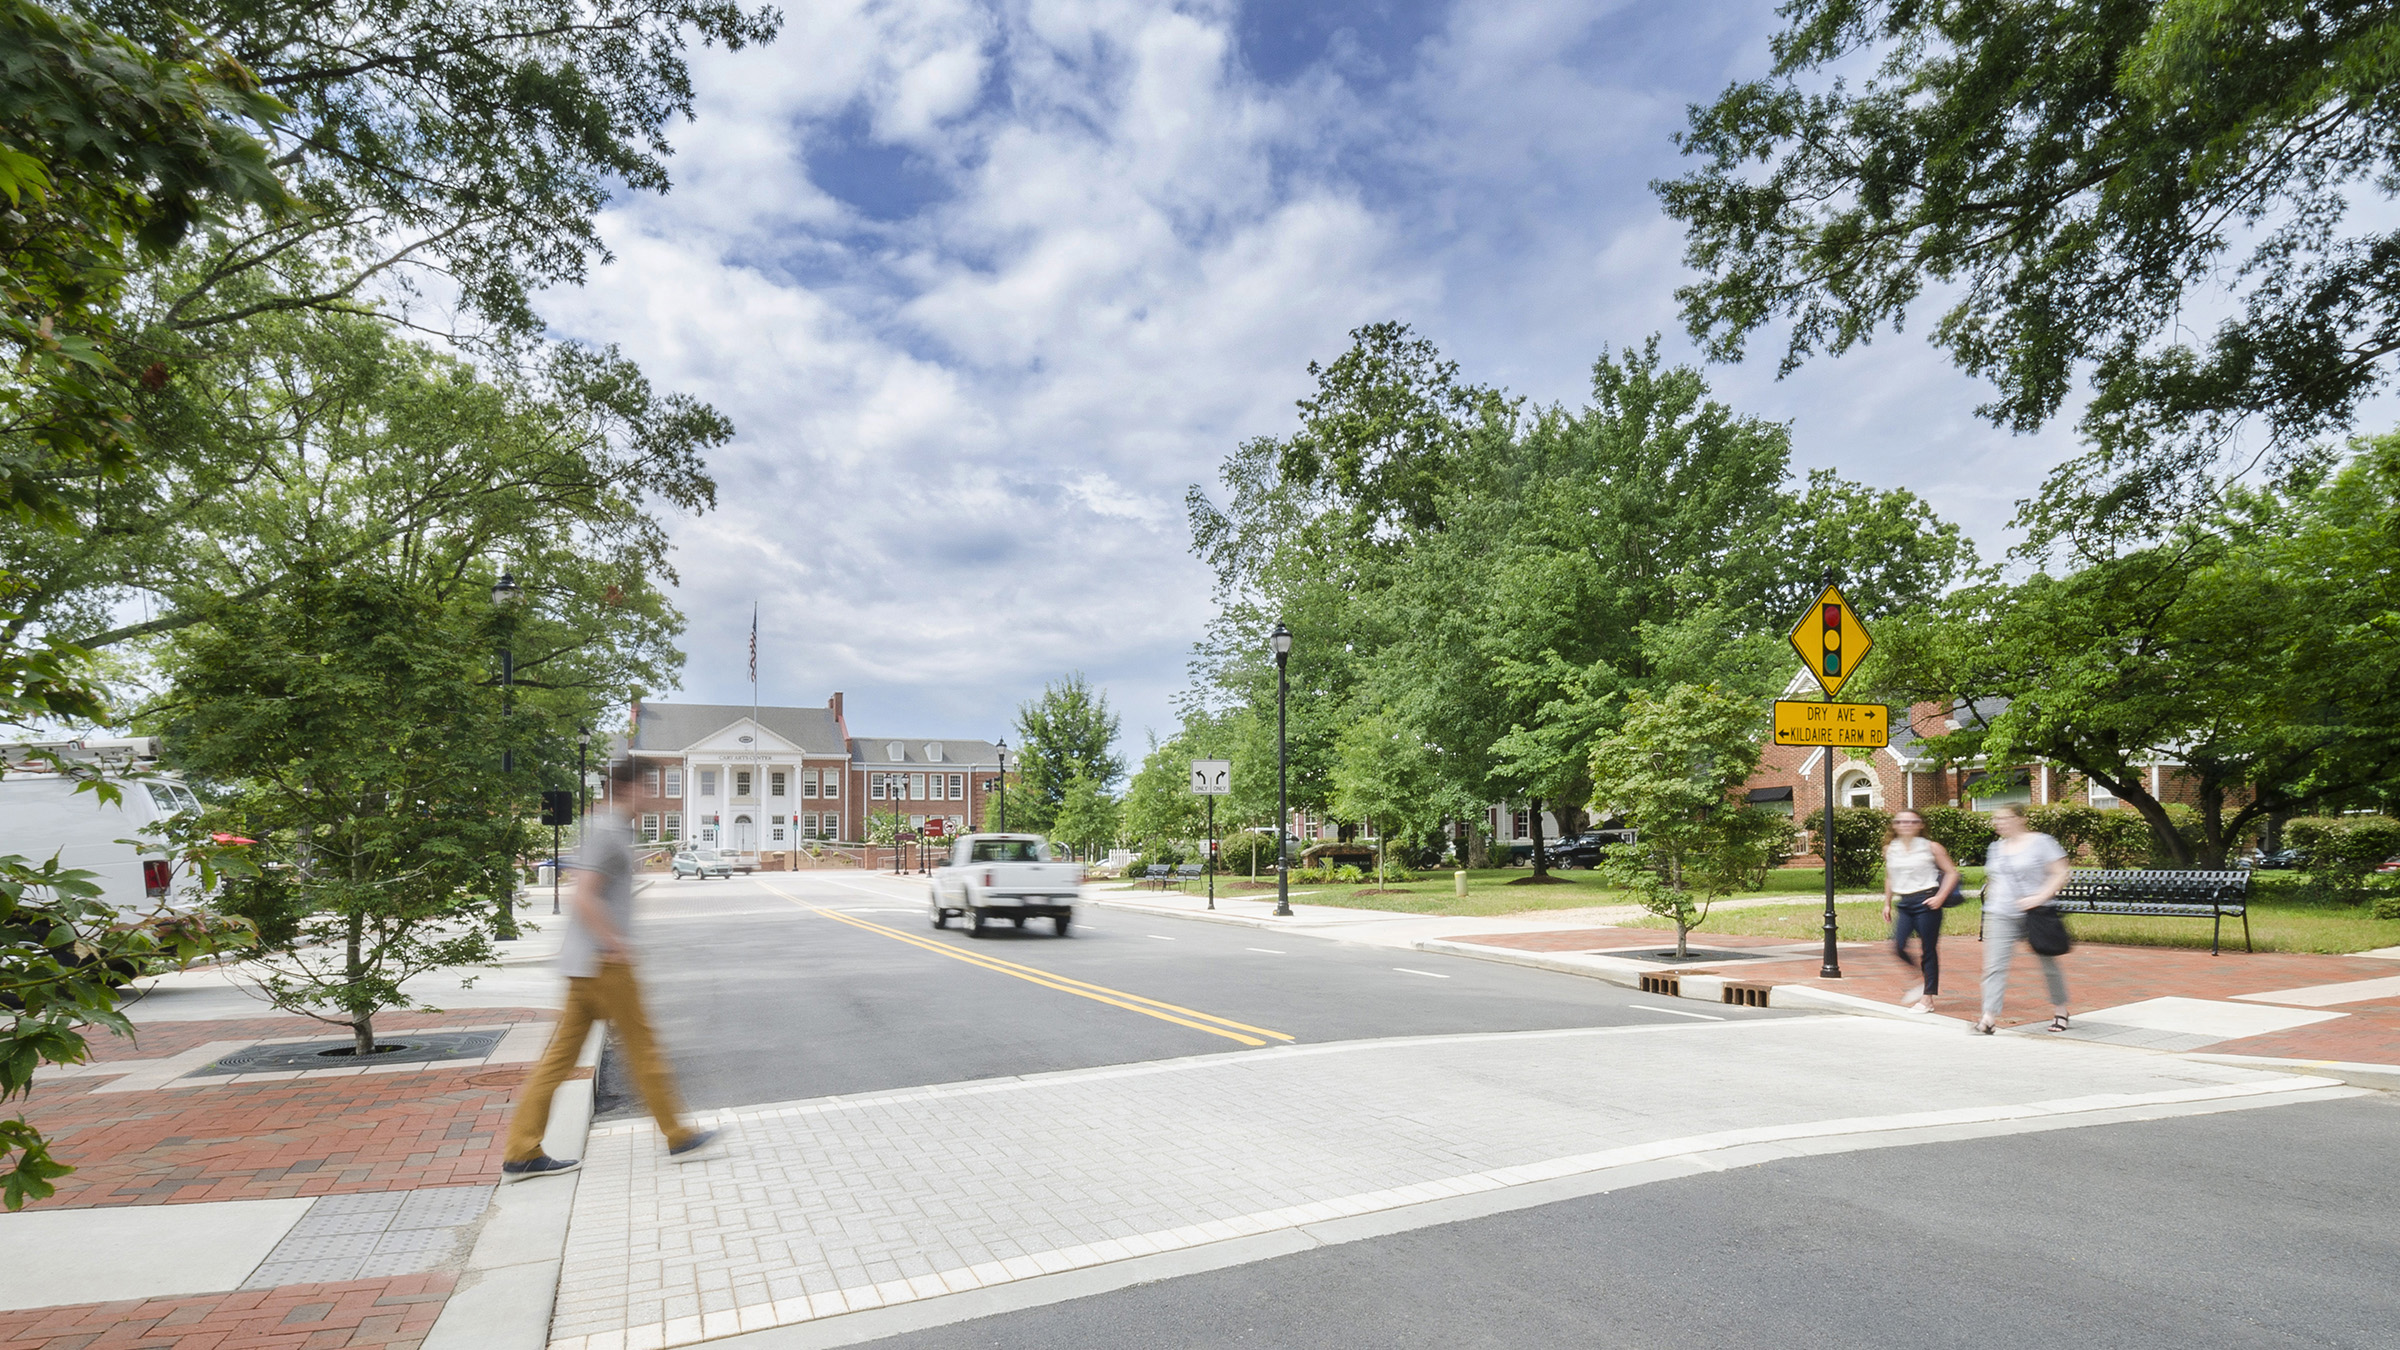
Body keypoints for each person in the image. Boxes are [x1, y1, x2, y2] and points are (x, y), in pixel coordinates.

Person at [501, 756, 719, 1181]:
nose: (652, 795)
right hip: (604, 963)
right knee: (643, 1046)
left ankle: (522, 1148)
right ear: (627, 788)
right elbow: (584, 895)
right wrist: (616, 943)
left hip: (584, 963)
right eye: (647, 787)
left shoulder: (610, 828)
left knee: (559, 1060)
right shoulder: (607, 830)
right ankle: (676, 1133)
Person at [1976, 803, 2073, 1036]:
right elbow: (1995, 879)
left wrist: (2039, 897)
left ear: (2021, 819)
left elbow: (2061, 873)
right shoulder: (1996, 848)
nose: (1999, 823)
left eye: (2004, 818)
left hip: (2036, 912)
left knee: (2048, 963)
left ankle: (2061, 1010)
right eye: (1996, 819)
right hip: (2001, 913)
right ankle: (1988, 1017)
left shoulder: (2042, 842)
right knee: (1994, 966)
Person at [1881, 810, 1960, 1013]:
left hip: (1927, 901)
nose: (1906, 825)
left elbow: (1952, 873)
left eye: (1911, 821)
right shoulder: (1890, 849)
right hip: (1905, 903)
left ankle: (1927, 999)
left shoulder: (1931, 847)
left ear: (1920, 824)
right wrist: (1887, 903)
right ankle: (1922, 980)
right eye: (1900, 821)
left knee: (1928, 950)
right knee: (1898, 946)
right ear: (1895, 825)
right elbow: (1890, 876)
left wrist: (1940, 896)